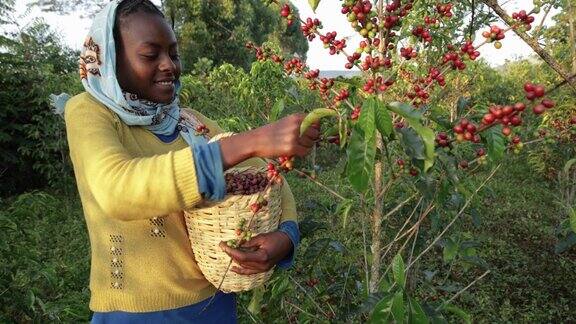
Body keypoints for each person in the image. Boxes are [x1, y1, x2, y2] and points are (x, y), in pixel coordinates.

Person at [52, 0, 319, 322]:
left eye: (174, 54)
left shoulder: (190, 122)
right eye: (151, 55)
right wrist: (247, 143)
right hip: (136, 313)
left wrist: (286, 236)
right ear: (111, 60)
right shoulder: (89, 112)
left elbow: (270, 177)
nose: (169, 65)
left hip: (215, 302)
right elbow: (116, 189)